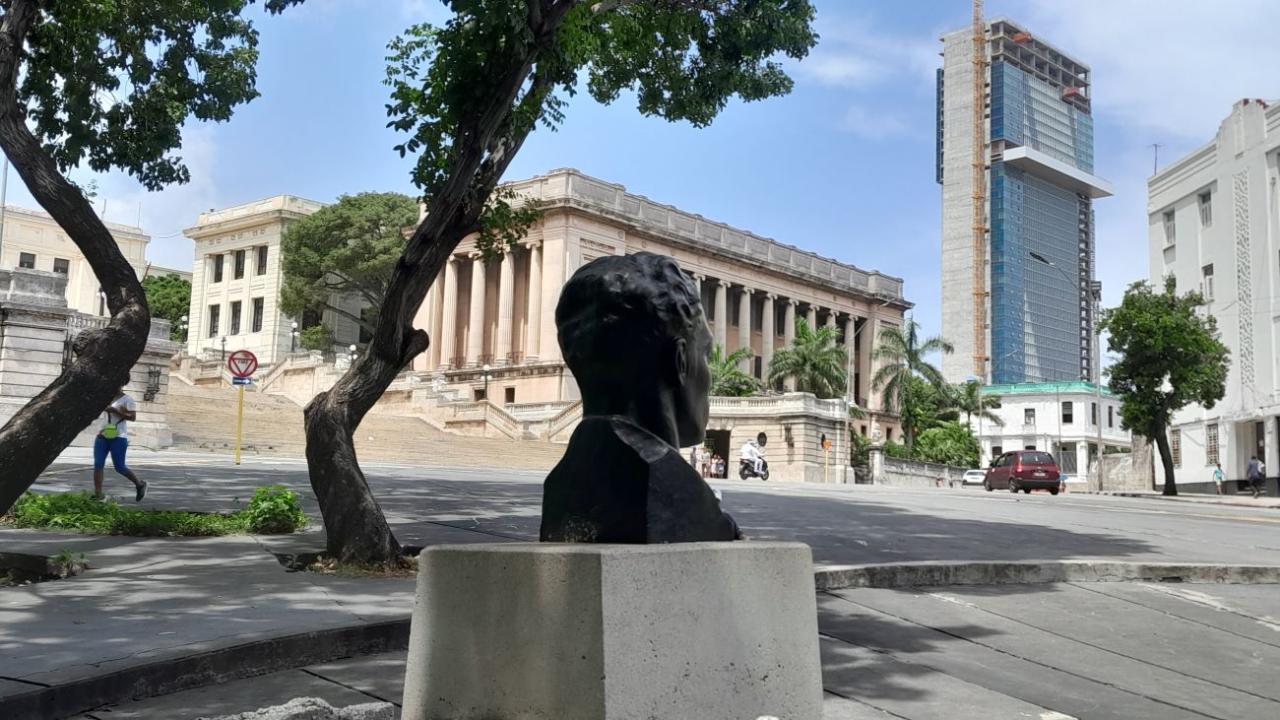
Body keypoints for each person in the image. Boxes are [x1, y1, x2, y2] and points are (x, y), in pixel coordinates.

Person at [539, 252, 740, 543]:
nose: (709, 375)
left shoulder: (564, 482)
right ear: (680, 360)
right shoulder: (678, 494)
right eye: (706, 356)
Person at [94, 387, 147, 502]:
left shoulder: (128, 400)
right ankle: (98, 495)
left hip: (119, 437)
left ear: (122, 383)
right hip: (103, 435)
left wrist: (116, 411)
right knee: (98, 464)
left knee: (119, 467)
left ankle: (139, 484)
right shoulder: (105, 398)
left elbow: (133, 418)